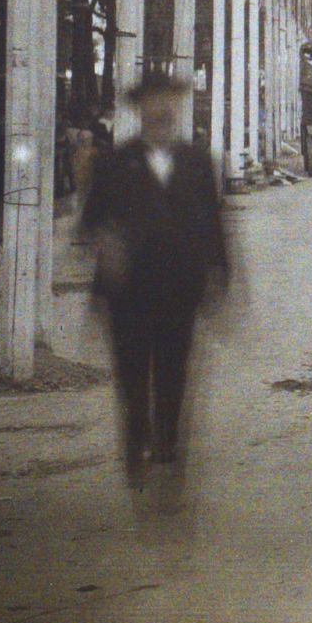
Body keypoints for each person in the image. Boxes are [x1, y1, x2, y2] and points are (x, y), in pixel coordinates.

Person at [80, 74, 231, 489]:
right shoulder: (115, 162)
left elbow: (214, 225)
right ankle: (136, 441)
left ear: (177, 108)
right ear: (140, 109)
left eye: (168, 102)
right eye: (152, 103)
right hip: (128, 291)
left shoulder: (198, 162)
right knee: (131, 372)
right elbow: (91, 222)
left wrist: (220, 274)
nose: (160, 110)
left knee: (173, 367)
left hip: (180, 288)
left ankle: (166, 441)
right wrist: (105, 244)